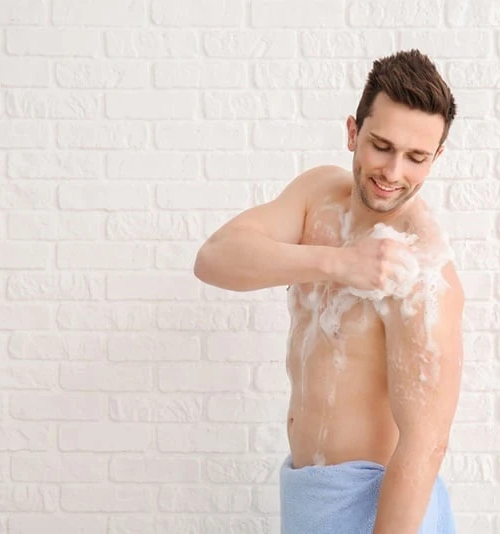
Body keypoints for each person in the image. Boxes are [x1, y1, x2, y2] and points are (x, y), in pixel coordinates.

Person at [194, 49, 464, 534]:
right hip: (309, 497)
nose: (394, 172)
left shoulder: (421, 267)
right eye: (381, 145)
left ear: (436, 157)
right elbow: (214, 259)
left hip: (376, 509)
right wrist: (341, 264)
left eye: (417, 157)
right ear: (352, 132)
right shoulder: (318, 195)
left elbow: (426, 444)